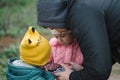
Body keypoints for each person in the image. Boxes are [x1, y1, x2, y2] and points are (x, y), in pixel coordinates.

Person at [37, 0, 120, 80]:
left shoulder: (83, 12)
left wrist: (71, 76)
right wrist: (83, 69)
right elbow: (103, 54)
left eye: (52, 26)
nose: (53, 29)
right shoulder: (83, 5)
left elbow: (99, 71)